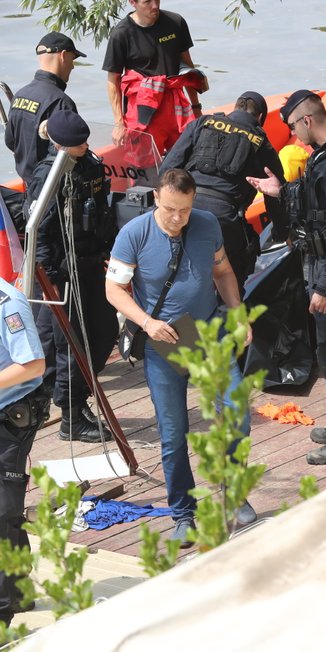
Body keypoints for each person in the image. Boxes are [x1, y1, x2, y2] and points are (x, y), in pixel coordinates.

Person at [105, 169, 256, 547]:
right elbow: (113, 289)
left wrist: (237, 310)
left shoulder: (207, 225)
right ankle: (183, 515)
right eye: (171, 209)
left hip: (208, 332)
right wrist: (147, 323)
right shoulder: (134, 234)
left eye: (185, 210)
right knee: (173, 435)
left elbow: (222, 270)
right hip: (165, 341)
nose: (177, 218)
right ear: (157, 198)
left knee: (237, 412)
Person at [247, 90, 326, 466]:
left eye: (291, 127)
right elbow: (316, 206)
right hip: (323, 261)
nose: (292, 137)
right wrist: (280, 192)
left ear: (307, 120)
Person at [27, 111, 117, 443]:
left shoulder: (89, 164)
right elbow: (39, 230)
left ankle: (74, 395)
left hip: (92, 263)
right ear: (62, 145)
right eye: (78, 144)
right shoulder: (48, 175)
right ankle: (71, 415)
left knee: (106, 332)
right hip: (63, 272)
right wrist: (49, 280)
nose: (86, 146)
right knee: (70, 345)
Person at [160, 91, 287, 294]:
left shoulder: (202, 124)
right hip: (225, 220)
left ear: (234, 109)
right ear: (261, 118)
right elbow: (277, 196)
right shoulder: (262, 143)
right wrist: (283, 233)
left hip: (184, 211)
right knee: (237, 269)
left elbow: (167, 170)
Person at [0, 276, 48, 625]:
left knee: (1, 512)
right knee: (7, 512)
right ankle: (19, 593)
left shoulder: (8, 303)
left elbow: (33, 365)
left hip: (11, 415)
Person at [102, 0, 205, 156]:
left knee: (187, 157)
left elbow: (188, 69)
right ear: (132, 2)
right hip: (143, 108)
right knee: (144, 164)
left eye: (157, 0)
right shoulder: (121, 34)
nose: (155, 6)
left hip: (175, 104)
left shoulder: (175, 22)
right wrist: (119, 123)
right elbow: (113, 81)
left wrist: (196, 107)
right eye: (147, 2)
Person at [4, 32, 83, 185]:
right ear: (63, 55)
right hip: (53, 195)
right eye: (72, 59)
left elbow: (10, 142)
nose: (72, 66)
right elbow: (74, 152)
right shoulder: (61, 102)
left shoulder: (20, 96)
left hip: (29, 191)